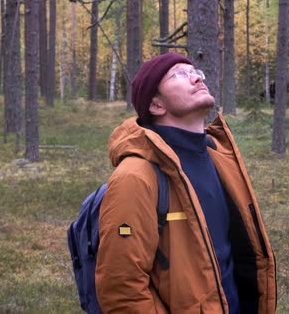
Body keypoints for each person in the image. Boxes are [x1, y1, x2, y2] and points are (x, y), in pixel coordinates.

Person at [95, 52, 276, 313]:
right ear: (156, 105)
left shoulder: (220, 158)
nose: (195, 78)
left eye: (195, 72)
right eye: (179, 74)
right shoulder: (135, 177)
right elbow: (122, 289)